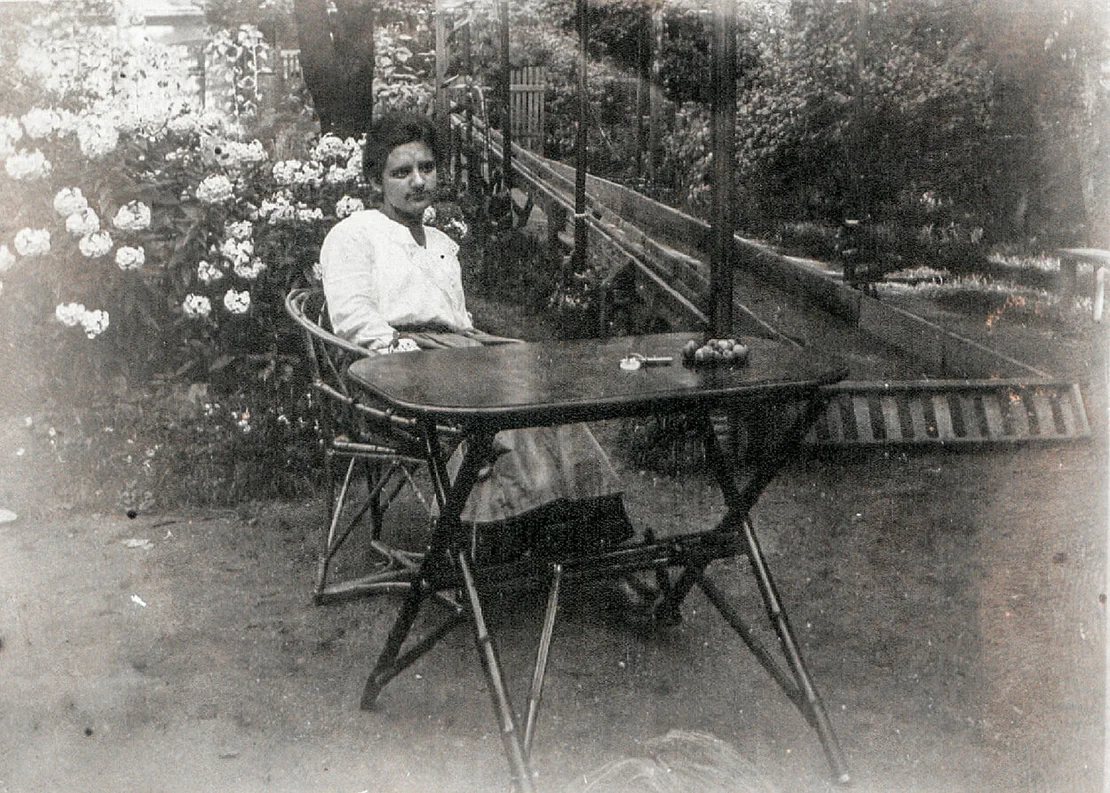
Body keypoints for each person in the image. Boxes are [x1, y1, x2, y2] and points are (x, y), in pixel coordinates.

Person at [319, 110, 634, 565]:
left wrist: (489, 349)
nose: (417, 182)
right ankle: (499, 531)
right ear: (376, 180)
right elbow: (351, 318)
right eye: (401, 172)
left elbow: (457, 321)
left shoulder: (440, 241)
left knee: (546, 389)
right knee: (503, 402)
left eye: (426, 168)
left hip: (455, 354)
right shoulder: (354, 234)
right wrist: (405, 353)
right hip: (391, 371)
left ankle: (577, 520)